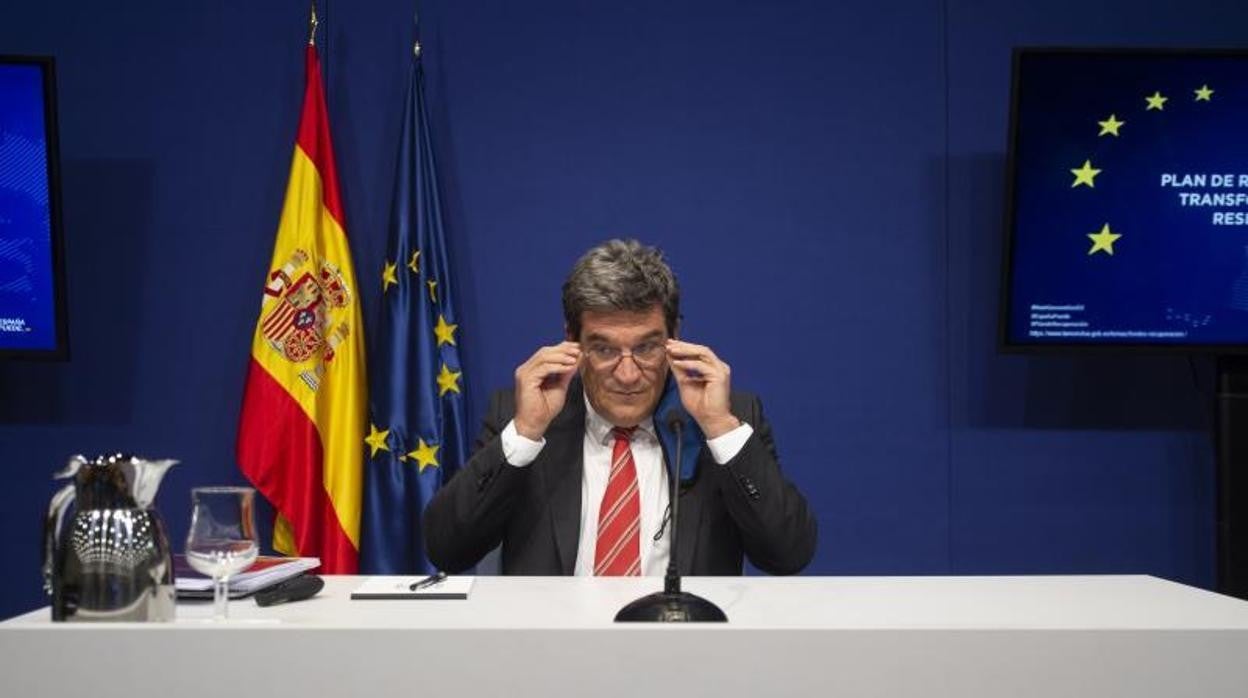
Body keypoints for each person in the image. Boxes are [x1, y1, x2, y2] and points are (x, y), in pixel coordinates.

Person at [424, 239, 816, 576]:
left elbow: (788, 555)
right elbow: (447, 550)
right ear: (572, 342)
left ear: (675, 338)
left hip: (681, 639)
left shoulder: (721, 419)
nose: (628, 375)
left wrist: (720, 427)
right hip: (553, 638)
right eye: (604, 349)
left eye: (646, 347)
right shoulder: (526, 415)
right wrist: (525, 433)